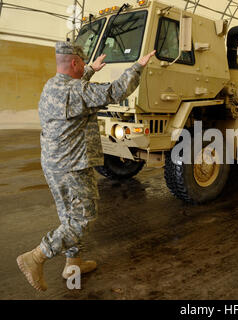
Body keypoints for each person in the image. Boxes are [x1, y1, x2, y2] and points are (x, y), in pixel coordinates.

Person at [16, 41, 156, 292]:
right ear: (74, 63)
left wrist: (90, 69)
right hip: (73, 166)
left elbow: (76, 88)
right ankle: (36, 256)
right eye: (82, 64)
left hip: (53, 164)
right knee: (83, 218)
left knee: (68, 216)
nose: (84, 68)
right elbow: (114, 91)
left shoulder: (51, 85)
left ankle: (73, 264)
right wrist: (138, 66)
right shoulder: (79, 91)